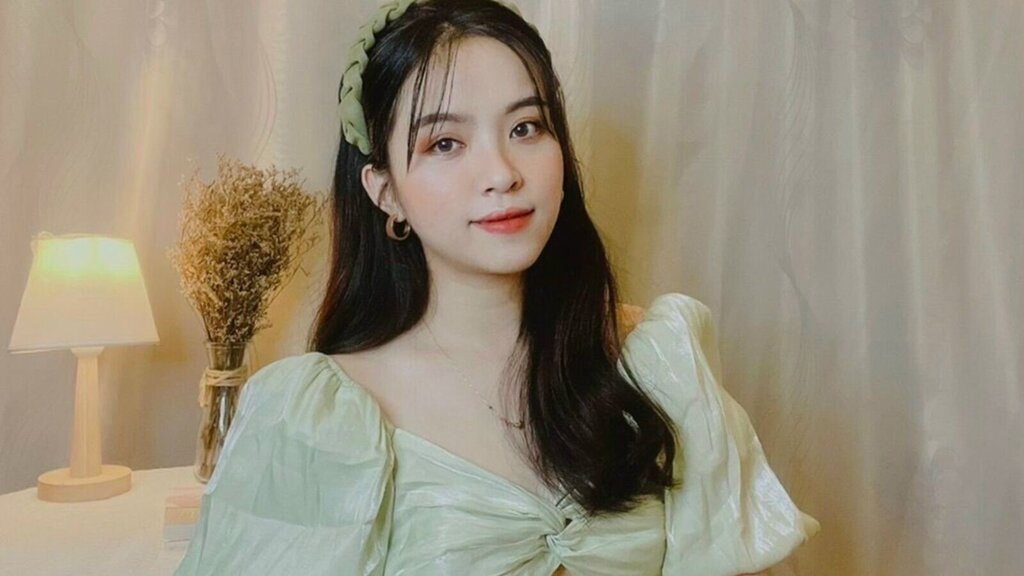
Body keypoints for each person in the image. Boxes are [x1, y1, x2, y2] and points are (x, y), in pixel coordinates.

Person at [174, 0, 820, 574]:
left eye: (525, 128)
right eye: (446, 143)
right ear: (385, 190)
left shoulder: (655, 360)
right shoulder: (314, 416)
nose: (502, 173)